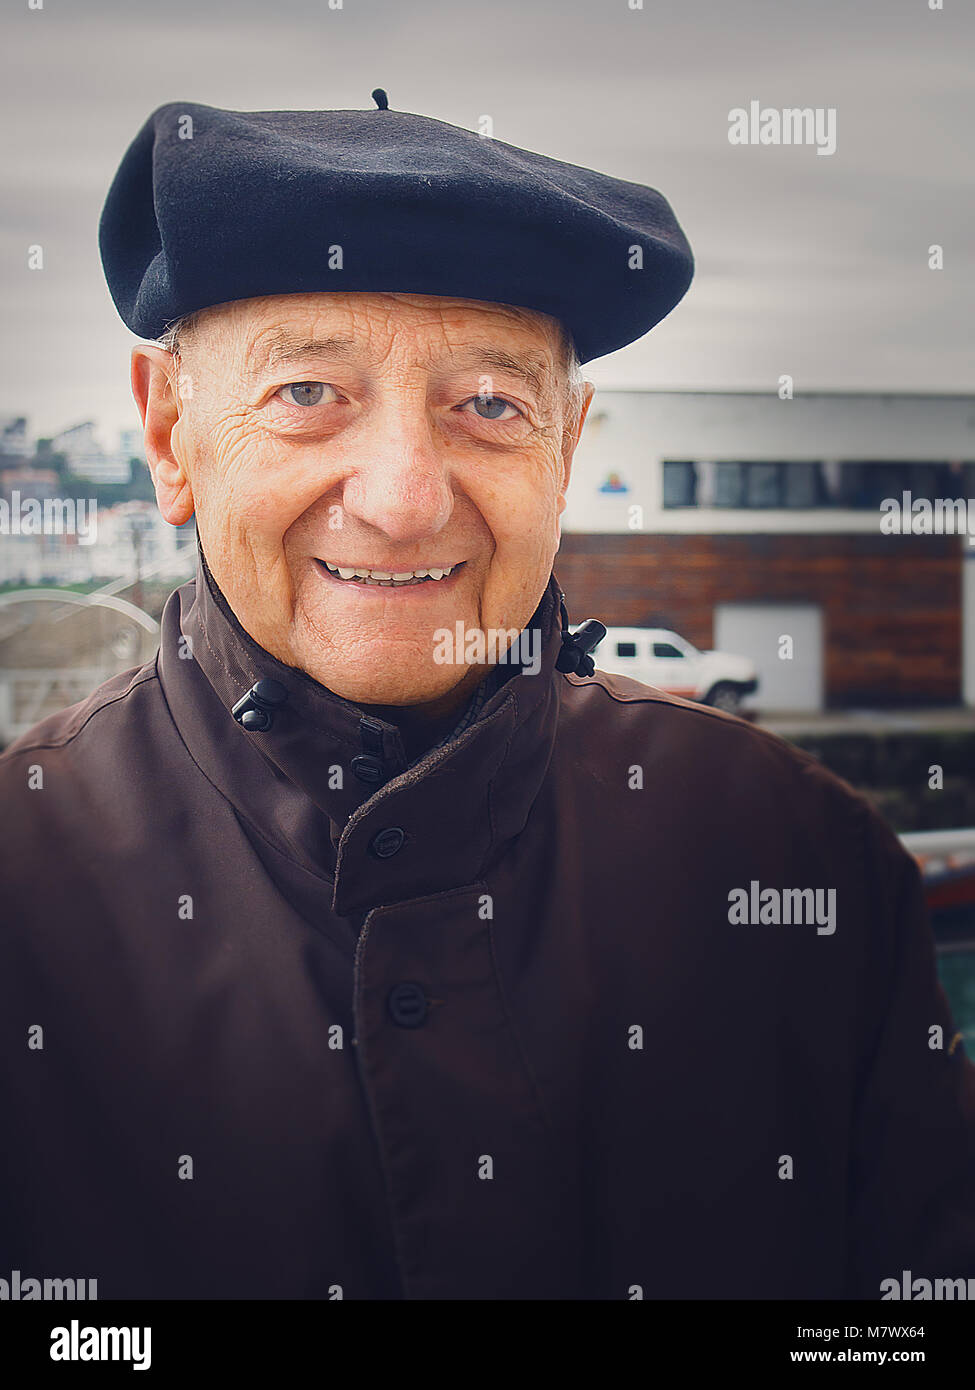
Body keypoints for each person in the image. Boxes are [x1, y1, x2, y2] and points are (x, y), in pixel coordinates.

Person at [0, 93, 972, 1301]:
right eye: (308, 393)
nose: (405, 497)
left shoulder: (797, 851)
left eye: (490, 405)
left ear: (565, 450)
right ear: (171, 433)